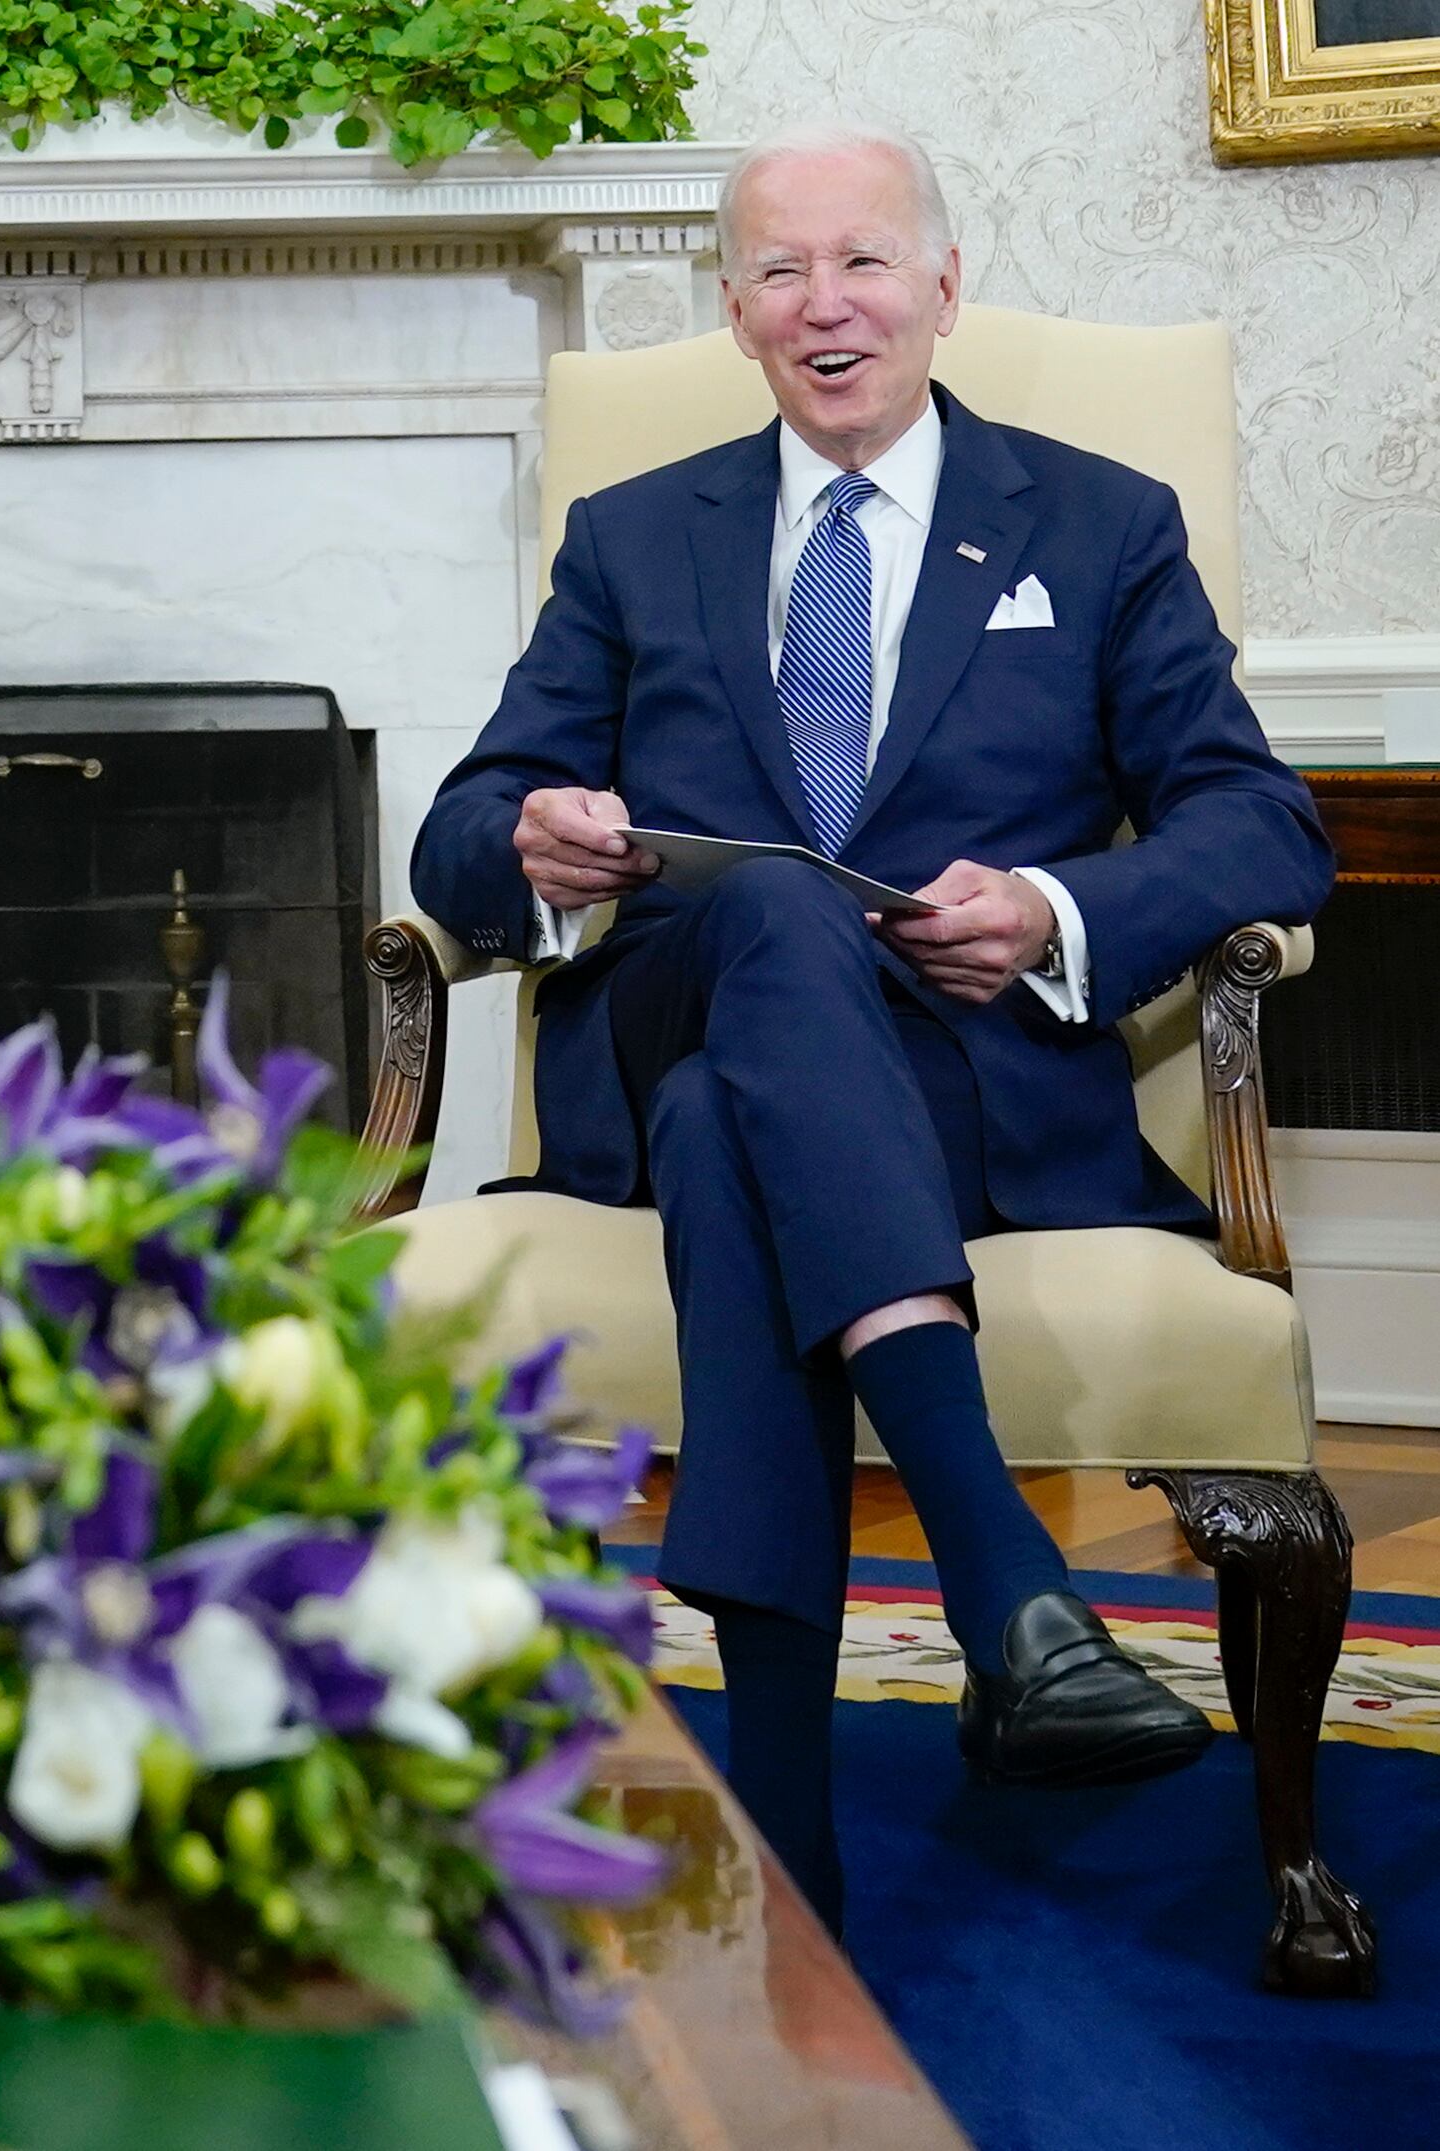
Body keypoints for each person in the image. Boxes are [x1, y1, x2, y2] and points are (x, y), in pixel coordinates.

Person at [409, 122, 1330, 1929]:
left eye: (861, 263)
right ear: (735, 310)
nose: (823, 307)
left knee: (720, 1133)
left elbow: (1256, 820)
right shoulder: (631, 535)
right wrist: (534, 843)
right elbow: (460, 828)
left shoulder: (1094, 521)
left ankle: (795, 1856)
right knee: (759, 903)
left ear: (940, 286)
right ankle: (1002, 1581)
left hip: (943, 1073)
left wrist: (1056, 912)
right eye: (777, 273)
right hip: (681, 993)